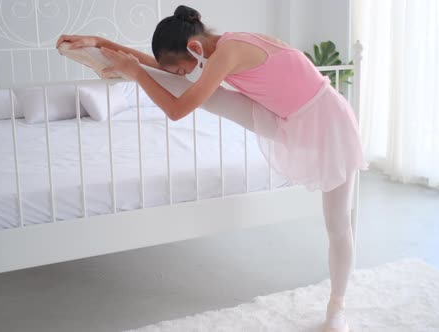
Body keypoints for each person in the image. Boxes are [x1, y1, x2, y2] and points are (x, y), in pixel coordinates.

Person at [56, 5, 367, 332]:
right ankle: (106, 58)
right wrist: (99, 42)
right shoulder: (216, 47)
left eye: (179, 69)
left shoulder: (228, 54)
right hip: (285, 118)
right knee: (208, 96)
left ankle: (337, 307)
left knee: (337, 224)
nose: (180, 74)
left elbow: (176, 110)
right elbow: (156, 67)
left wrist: (134, 75)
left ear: (193, 49)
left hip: (329, 124)